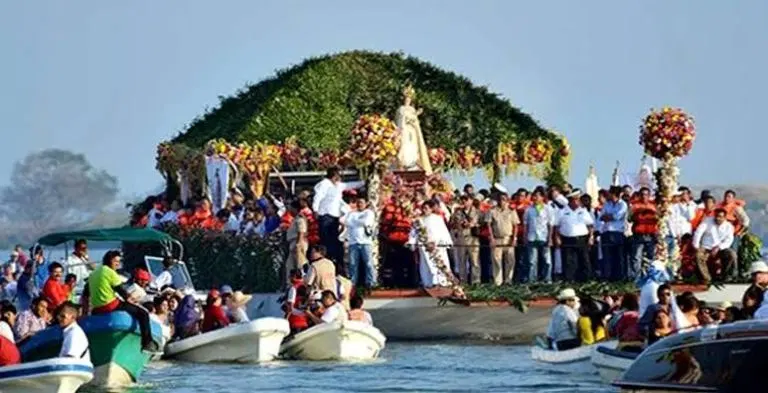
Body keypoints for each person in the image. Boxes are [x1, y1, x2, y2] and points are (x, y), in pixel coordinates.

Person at [87, 250, 155, 351]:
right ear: (109, 261)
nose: (118, 264)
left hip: (96, 309)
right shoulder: (110, 272)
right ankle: (147, 343)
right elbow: (121, 291)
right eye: (115, 261)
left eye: (119, 262)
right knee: (143, 313)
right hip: (110, 306)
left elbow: (86, 294)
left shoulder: (93, 273)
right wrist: (133, 302)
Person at [312, 166, 365, 273]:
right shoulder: (324, 184)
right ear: (334, 176)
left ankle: (336, 263)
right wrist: (315, 210)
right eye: (338, 176)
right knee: (327, 241)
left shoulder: (337, 186)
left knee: (335, 241)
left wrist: (363, 183)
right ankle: (327, 261)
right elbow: (318, 197)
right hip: (325, 215)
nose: (340, 178)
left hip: (334, 217)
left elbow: (348, 185)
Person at [409, 200, 454, 288]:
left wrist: (444, 242)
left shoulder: (437, 219)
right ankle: (428, 282)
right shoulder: (419, 220)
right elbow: (413, 233)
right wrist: (412, 242)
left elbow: (443, 231)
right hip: (424, 246)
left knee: (440, 263)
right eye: (423, 208)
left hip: (437, 246)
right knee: (426, 265)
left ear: (431, 209)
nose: (424, 210)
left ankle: (442, 282)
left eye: (426, 208)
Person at [554, 189, 595, 282]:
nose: (578, 202)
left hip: (582, 239)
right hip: (567, 239)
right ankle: (569, 281)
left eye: (578, 199)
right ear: (571, 200)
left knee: (584, 260)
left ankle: (585, 280)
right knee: (569, 262)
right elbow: (557, 226)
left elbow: (590, 225)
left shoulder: (583, 211)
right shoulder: (562, 212)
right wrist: (557, 238)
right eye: (576, 199)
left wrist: (591, 237)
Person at [692, 208, 737, 283]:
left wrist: (719, 247)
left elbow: (729, 240)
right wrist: (696, 246)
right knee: (698, 255)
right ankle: (706, 278)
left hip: (720, 248)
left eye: (720, 217)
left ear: (724, 217)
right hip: (706, 247)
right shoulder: (707, 221)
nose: (717, 218)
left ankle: (726, 276)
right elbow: (698, 232)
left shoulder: (729, 226)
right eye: (716, 216)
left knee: (732, 254)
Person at [523, 189, 556, 283]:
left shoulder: (548, 209)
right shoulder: (528, 209)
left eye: (537, 196)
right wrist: (525, 237)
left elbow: (550, 224)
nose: (535, 198)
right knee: (532, 261)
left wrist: (550, 238)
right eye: (534, 196)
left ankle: (547, 279)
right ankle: (532, 280)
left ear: (542, 197)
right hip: (532, 237)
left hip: (544, 237)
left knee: (547, 261)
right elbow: (526, 224)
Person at [487, 192, 520, 285]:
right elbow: (489, 225)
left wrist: (514, 239)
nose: (502, 202)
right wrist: (491, 239)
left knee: (510, 261)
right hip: (497, 238)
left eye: (504, 200)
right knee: (496, 261)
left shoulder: (511, 211)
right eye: (500, 199)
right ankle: (498, 282)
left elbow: (516, 226)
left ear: (507, 201)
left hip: (508, 238)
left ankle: (508, 281)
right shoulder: (492, 211)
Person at [343, 196, 376, 289]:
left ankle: (371, 282)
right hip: (353, 242)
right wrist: (358, 222)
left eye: (361, 202)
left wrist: (355, 222)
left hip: (366, 242)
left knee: (368, 263)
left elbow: (366, 222)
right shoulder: (352, 213)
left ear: (365, 204)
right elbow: (347, 222)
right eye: (358, 202)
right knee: (353, 264)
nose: (359, 204)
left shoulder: (369, 213)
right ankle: (352, 283)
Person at [449, 195, 480, 284]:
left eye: (466, 200)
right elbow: (453, 223)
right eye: (462, 200)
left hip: (472, 238)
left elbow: (479, 223)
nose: (464, 201)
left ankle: (476, 282)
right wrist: (461, 223)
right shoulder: (457, 212)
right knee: (461, 261)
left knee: (475, 261)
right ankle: (463, 281)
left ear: (471, 201)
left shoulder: (477, 212)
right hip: (461, 238)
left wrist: (471, 224)